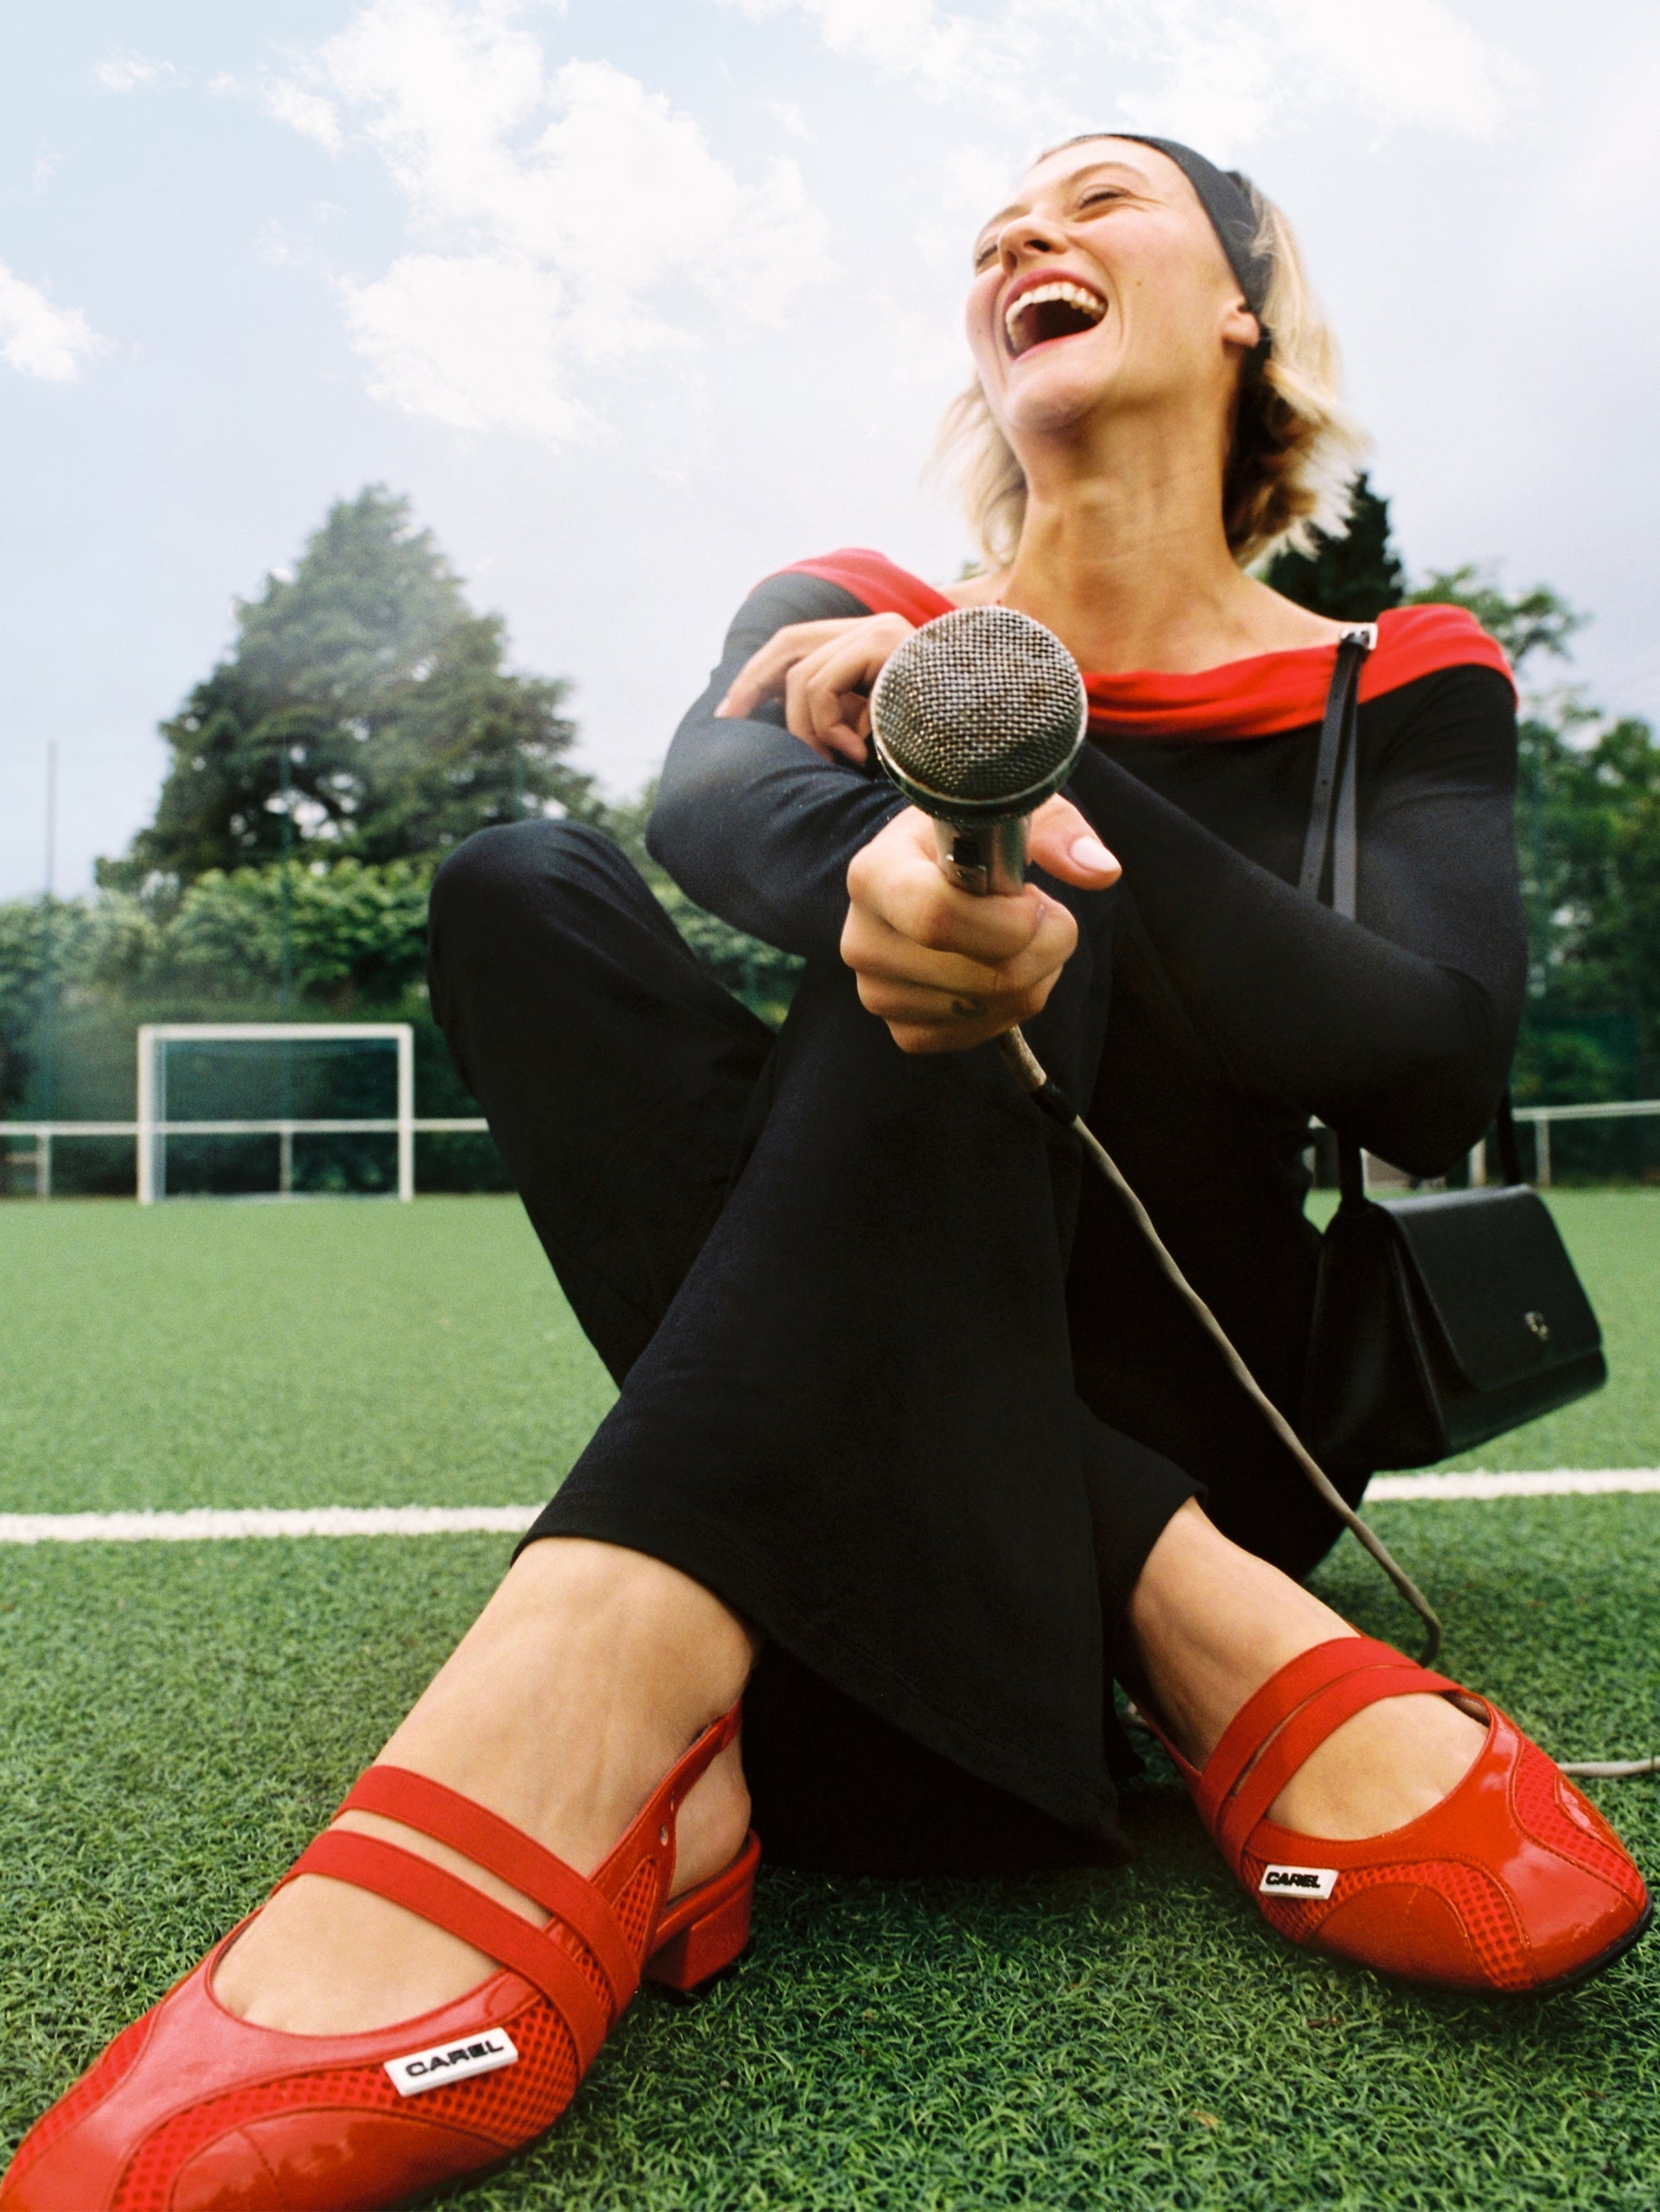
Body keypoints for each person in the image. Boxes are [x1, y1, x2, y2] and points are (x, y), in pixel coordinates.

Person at [6, 133, 1646, 2212]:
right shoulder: (856, 605)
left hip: (1208, 1364)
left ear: (1240, 299)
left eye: (1099, 198)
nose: (1018, 237)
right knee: (528, 887)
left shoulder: (1394, 664)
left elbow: (1432, 1063)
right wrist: (908, 815)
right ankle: (1179, 1615)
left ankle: (624, 1670)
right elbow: (705, 800)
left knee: (1041, 863)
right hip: (900, 1337)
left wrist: (1014, 760)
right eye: (992, 233)